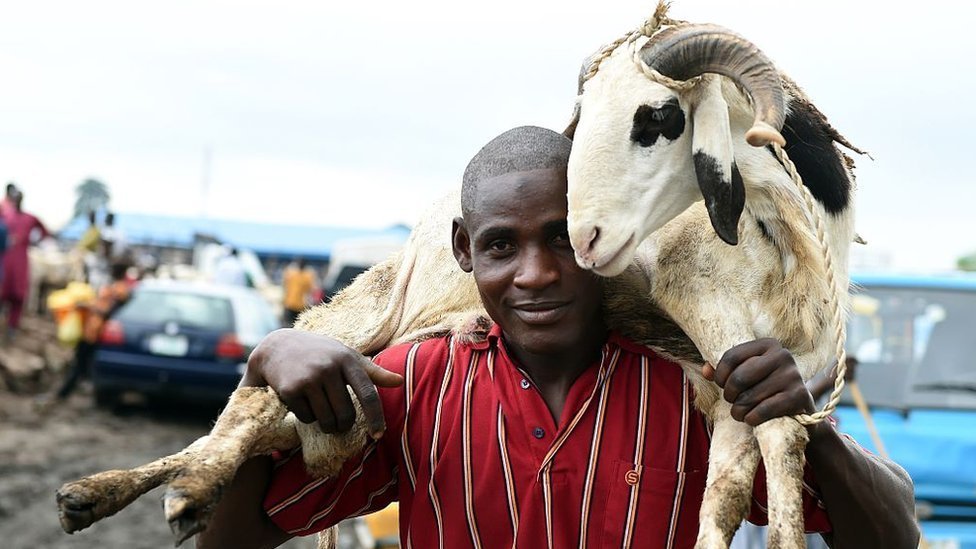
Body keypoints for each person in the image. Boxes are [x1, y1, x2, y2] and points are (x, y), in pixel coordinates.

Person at [197, 127, 918, 548]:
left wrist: (807, 426)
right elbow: (238, 538)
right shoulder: (410, 383)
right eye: (503, 245)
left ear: (603, 237)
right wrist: (265, 373)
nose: (536, 274)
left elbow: (894, 534)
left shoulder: (697, 388)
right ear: (463, 249)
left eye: (562, 239)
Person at [43, 261, 132, 403]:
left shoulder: (120, 290)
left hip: (96, 332)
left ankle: (64, 393)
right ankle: (71, 390)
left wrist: (89, 307)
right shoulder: (116, 287)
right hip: (92, 330)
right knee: (83, 363)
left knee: (80, 363)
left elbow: (109, 312)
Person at [1, 189, 49, 339]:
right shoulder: (5, 216)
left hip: (19, 260)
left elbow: (44, 232)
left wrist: (33, 241)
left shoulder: (28, 218)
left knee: (18, 295)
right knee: (4, 292)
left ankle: (11, 329)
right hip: (7, 260)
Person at [281, 257, 315, 326]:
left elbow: (285, 285)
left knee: (289, 325)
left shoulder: (292, 274)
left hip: (294, 304)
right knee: (295, 325)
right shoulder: (307, 276)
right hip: (296, 305)